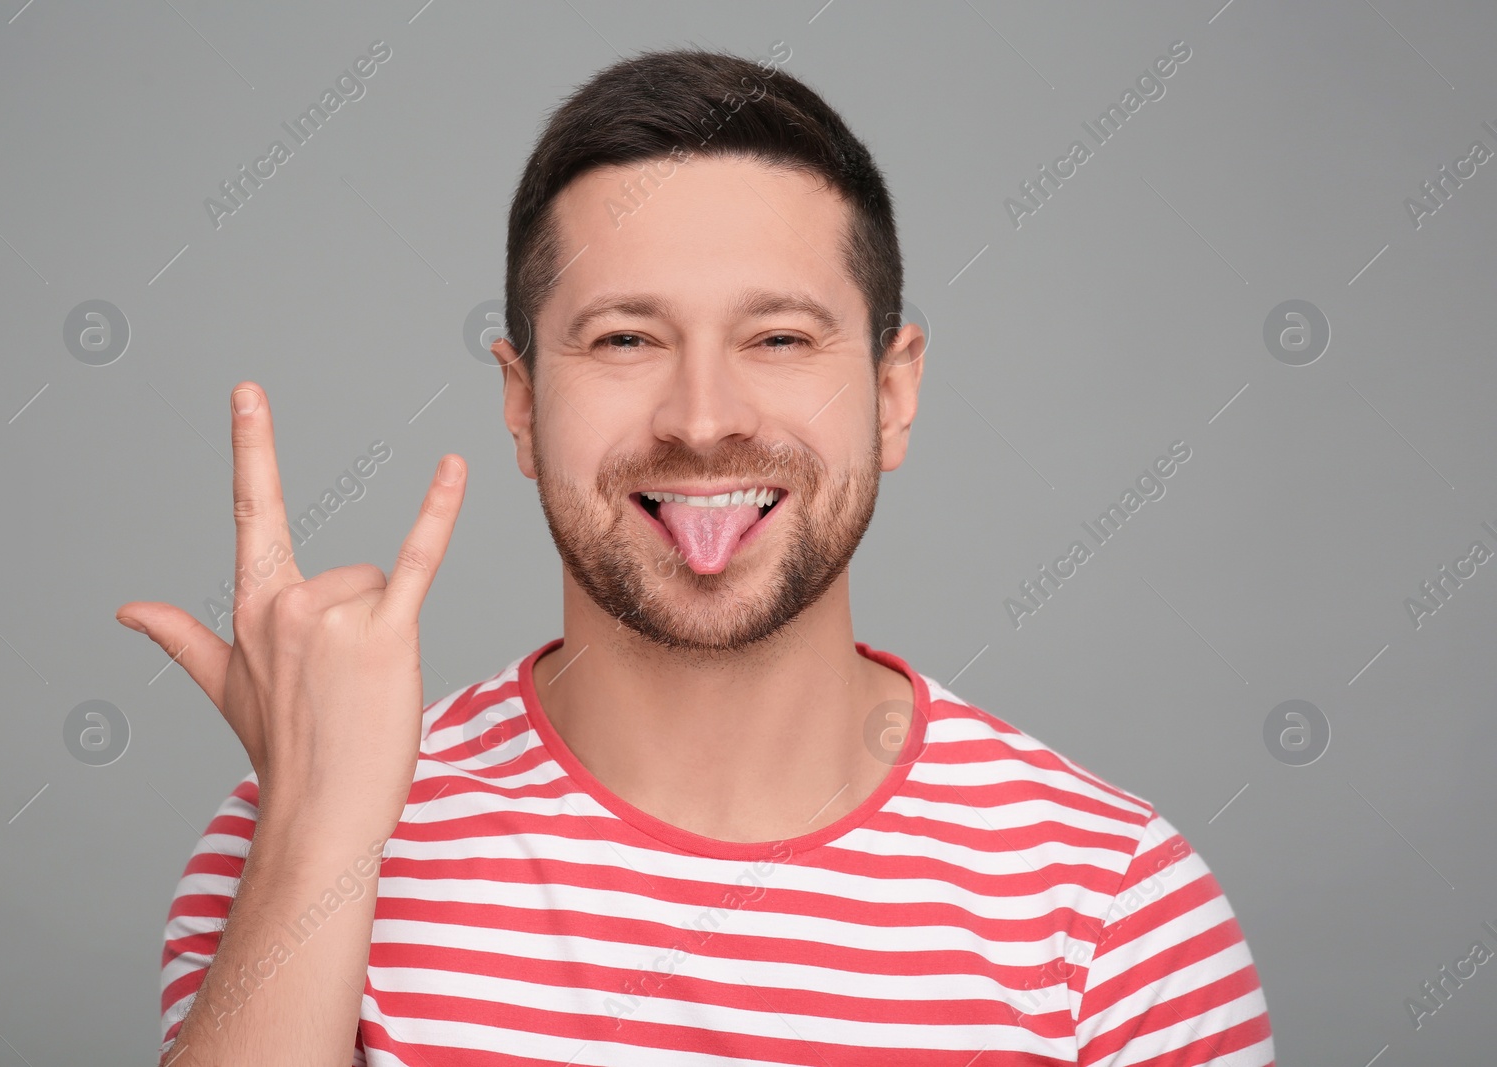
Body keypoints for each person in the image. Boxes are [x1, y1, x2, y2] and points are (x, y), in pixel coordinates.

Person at [119, 48, 1275, 1066]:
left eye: (778, 338)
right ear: (521, 402)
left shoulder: (1114, 906)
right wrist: (318, 831)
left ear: (892, 387)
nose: (704, 416)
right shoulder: (303, 828)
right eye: (625, 339)